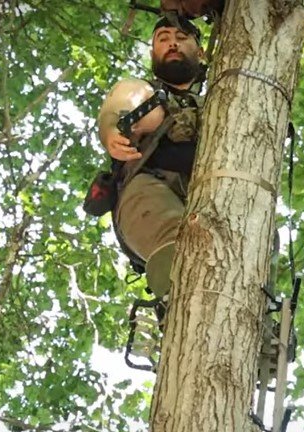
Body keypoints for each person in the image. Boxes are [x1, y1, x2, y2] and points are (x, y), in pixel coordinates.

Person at [97, 15, 205, 298]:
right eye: (163, 38)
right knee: (183, 252)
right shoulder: (146, 93)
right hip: (149, 192)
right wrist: (112, 131)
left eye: (181, 38)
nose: (172, 43)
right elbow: (121, 105)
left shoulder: (220, 100)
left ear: (201, 52)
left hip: (211, 193)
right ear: (152, 53)